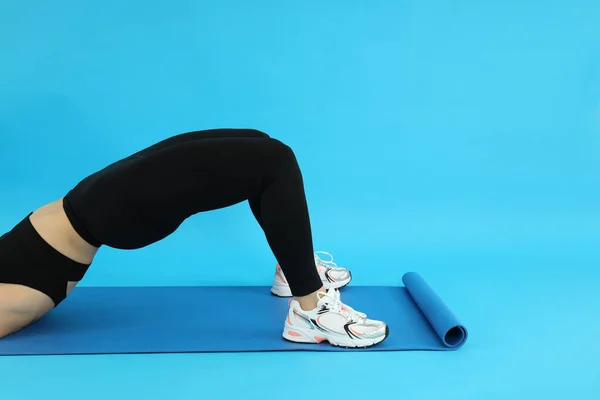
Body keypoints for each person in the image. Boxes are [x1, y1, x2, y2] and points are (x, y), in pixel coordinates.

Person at [0, 129, 388, 347]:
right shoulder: (12, 302)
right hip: (110, 216)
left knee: (260, 144)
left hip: (89, 203)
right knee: (273, 162)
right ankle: (310, 309)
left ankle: (294, 267)